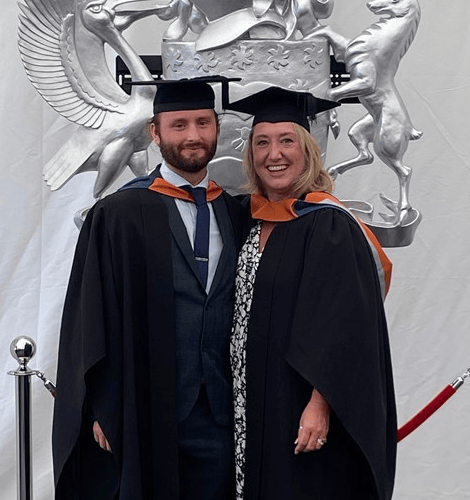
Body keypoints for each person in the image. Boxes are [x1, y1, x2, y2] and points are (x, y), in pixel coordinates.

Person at [52, 77, 245, 500]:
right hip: (143, 405)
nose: (192, 136)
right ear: (154, 133)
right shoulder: (119, 213)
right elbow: (92, 317)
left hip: (219, 412)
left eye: (202, 122)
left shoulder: (234, 212)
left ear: (217, 127)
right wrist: (104, 407)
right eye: (178, 125)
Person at [227, 87, 397, 500]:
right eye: (262, 143)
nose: (274, 154)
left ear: (307, 150)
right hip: (243, 399)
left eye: (287, 140)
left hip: (298, 402)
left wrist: (319, 405)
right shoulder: (242, 222)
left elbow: (346, 326)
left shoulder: (328, 226)